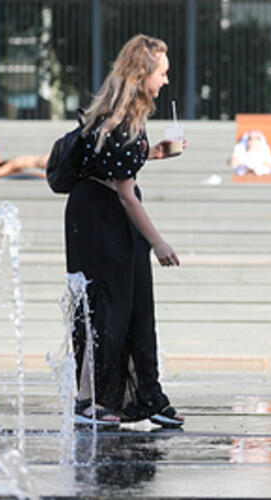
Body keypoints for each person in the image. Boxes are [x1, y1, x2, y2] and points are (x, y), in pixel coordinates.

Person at [65, 34, 185, 429]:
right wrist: (159, 242)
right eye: (163, 73)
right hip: (100, 217)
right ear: (143, 73)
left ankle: (147, 395)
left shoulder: (125, 113)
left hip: (105, 211)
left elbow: (112, 164)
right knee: (106, 306)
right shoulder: (120, 117)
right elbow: (126, 194)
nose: (166, 80)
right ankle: (87, 400)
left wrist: (154, 153)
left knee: (135, 303)